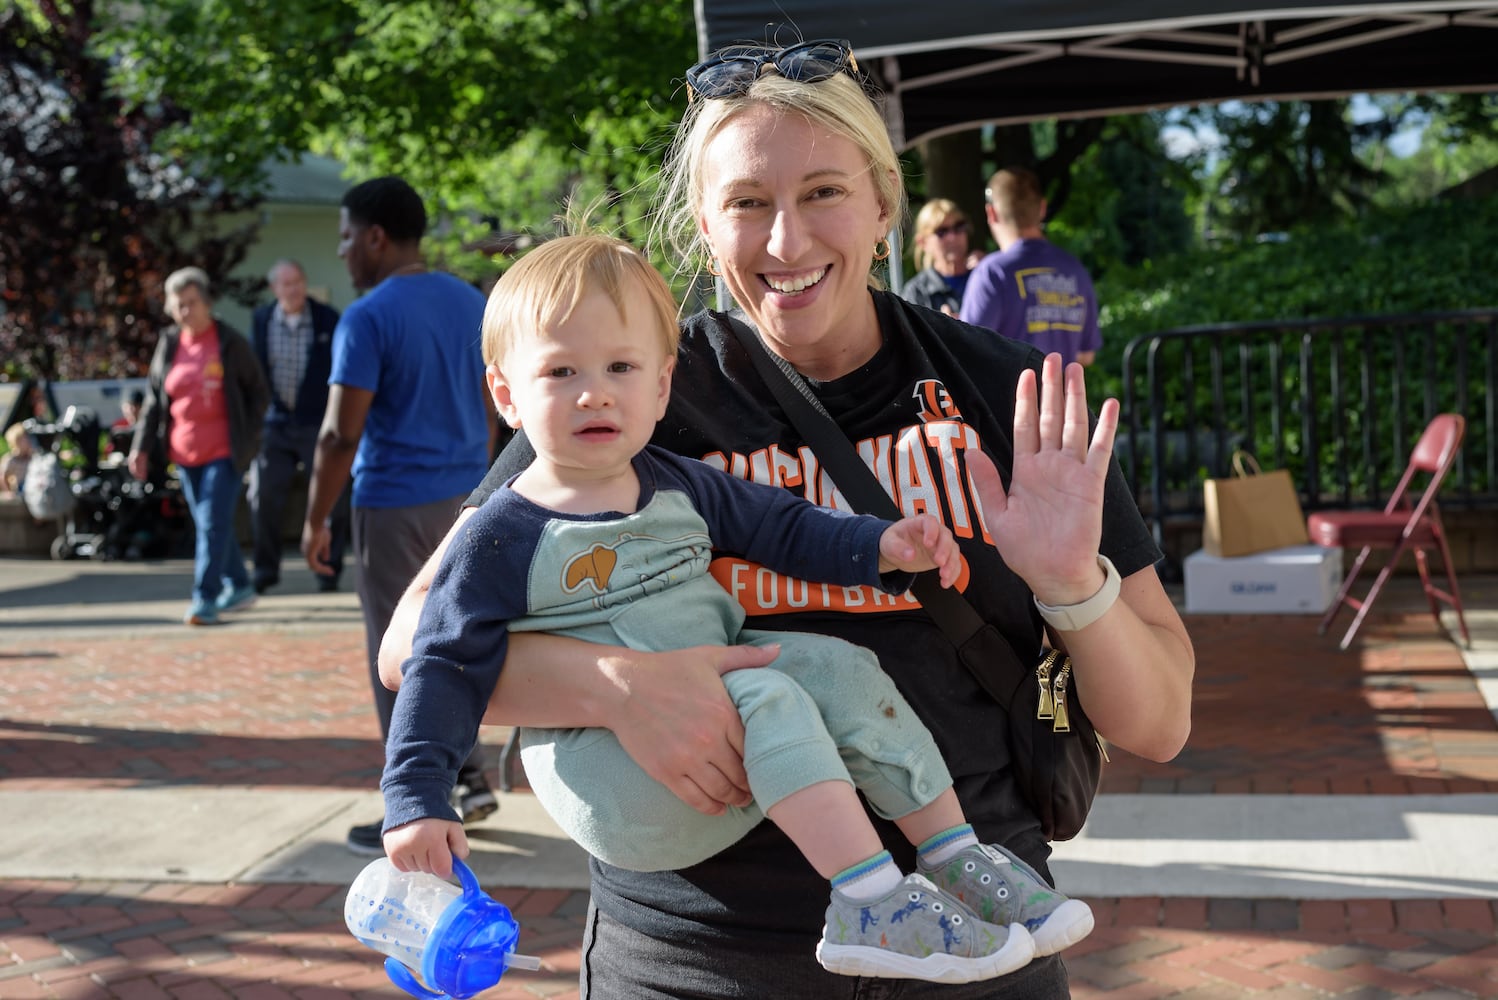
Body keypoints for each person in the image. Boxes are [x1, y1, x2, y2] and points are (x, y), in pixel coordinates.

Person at [381, 39, 1193, 999]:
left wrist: (1071, 588)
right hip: (692, 952)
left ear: (883, 203)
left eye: (822, 194)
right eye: (747, 204)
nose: (786, 243)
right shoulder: (630, 388)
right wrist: (615, 687)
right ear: (703, 223)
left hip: (981, 936)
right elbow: (414, 650)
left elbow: (1161, 722)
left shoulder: (995, 389)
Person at [383, 233, 1103, 983]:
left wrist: (884, 546)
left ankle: (955, 856)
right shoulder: (503, 533)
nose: (594, 392)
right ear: (506, 393)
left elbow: (782, 527)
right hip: (615, 779)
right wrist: (416, 798)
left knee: (841, 666)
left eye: (621, 368)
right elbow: (439, 662)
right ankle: (870, 900)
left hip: (719, 723)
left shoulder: (675, 482)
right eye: (561, 371)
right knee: (772, 693)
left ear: (662, 388)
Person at [301, 175, 500, 857]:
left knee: (397, 657)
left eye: (348, 236)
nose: (345, 250)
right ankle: (467, 777)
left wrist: (313, 518)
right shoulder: (470, 302)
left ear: (377, 237)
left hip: (391, 503)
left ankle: (415, 805)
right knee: (457, 640)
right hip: (467, 501)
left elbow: (336, 435)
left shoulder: (368, 317)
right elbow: (494, 403)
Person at [128, 267, 270, 626]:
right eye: (178, 305)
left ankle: (204, 598)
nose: (186, 311)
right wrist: (140, 448)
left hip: (225, 450)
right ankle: (238, 583)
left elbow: (259, 393)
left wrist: (250, 438)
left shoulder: (230, 343)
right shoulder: (170, 344)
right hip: (184, 453)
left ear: (206, 302)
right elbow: (154, 402)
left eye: (192, 302)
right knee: (212, 524)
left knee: (211, 525)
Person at [249, 259, 348, 594]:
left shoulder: (327, 318)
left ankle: (328, 569)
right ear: (274, 288)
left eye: (297, 282)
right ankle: (265, 570)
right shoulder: (262, 320)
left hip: (316, 422)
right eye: (285, 284)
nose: (292, 290)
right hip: (275, 423)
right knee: (262, 495)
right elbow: (256, 374)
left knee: (331, 497)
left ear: (305, 284)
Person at [960, 167, 1102, 367]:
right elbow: (1086, 355)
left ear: (991, 213)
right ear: (1042, 208)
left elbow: (968, 353)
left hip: (1009, 398)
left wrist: (951, 329)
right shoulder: (1075, 270)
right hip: (1063, 397)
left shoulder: (992, 272)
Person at [900, 198, 977, 317]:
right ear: (922, 242)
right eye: (941, 231)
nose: (952, 237)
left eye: (959, 227)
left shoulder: (984, 276)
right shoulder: (916, 293)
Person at [0, 422, 34, 496]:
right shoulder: (11, 459)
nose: (28, 441)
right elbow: (3, 477)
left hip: (31, 484)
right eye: (24, 439)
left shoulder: (30, 456)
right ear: (16, 441)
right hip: (21, 487)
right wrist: (8, 492)